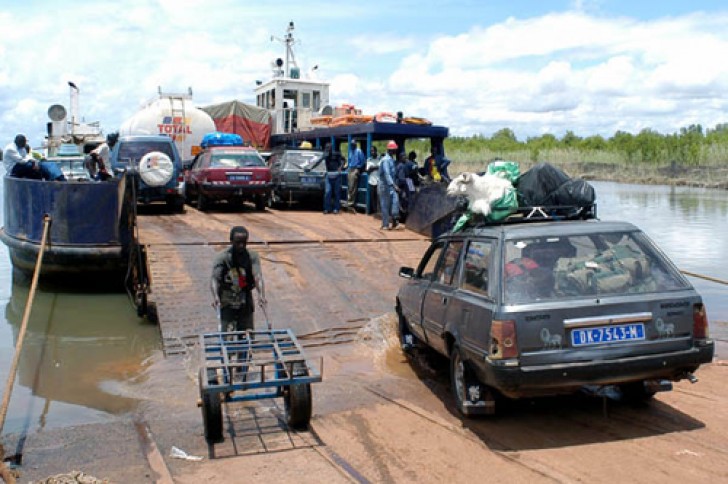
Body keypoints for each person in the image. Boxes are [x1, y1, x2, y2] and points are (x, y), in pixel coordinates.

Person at [211, 226, 266, 334]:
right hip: (227, 298)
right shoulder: (222, 257)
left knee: (247, 335)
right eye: (237, 242)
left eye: (244, 242)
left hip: (245, 298)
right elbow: (215, 279)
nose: (241, 246)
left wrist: (261, 295)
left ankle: (247, 349)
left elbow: (257, 277)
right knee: (227, 336)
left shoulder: (252, 256)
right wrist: (215, 296)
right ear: (231, 241)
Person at [378, 140, 402, 230]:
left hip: (391, 185)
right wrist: (394, 185)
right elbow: (387, 174)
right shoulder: (385, 160)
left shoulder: (391, 160)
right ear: (390, 150)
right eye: (394, 150)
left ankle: (395, 222)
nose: (395, 151)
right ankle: (385, 224)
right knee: (385, 204)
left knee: (395, 202)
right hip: (384, 185)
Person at [322, 142, 344, 214]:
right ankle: (327, 208)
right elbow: (318, 161)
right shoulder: (324, 155)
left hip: (337, 176)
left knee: (337, 193)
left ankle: (336, 208)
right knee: (328, 192)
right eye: (326, 148)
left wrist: (340, 168)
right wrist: (310, 168)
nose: (328, 149)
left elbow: (343, 161)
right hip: (328, 176)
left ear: (331, 148)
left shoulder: (336, 154)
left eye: (329, 148)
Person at [346, 140, 365, 209]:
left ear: (356, 144)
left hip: (356, 169)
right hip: (350, 169)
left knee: (353, 186)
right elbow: (349, 161)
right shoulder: (350, 151)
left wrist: (358, 168)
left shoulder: (359, 151)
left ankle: (351, 203)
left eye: (353, 144)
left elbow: (363, 161)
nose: (352, 145)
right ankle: (348, 201)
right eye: (351, 144)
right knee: (349, 186)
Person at [365, 145, 380, 214]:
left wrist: (372, 168)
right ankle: (375, 212)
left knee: (379, 197)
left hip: (379, 181)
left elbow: (380, 167)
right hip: (371, 181)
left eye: (373, 151)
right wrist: (375, 167)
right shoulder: (369, 160)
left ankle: (379, 211)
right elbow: (367, 171)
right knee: (373, 197)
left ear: (376, 151)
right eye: (371, 151)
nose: (372, 152)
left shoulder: (380, 159)